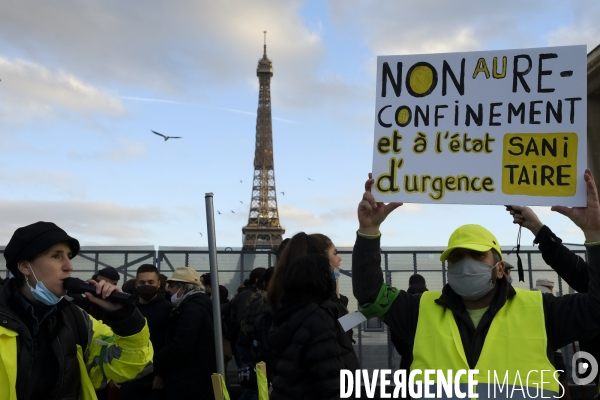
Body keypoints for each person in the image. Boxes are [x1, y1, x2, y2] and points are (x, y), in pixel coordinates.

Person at [353, 169, 600, 398]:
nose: (466, 264)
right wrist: (369, 232)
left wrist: (595, 235)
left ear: (500, 268)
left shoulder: (542, 310)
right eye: (457, 257)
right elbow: (371, 296)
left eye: (477, 255)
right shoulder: (419, 310)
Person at [0, 221, 153, 399]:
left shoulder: (77, 319)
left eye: (69, 256)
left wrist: (124, 317)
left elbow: (128, 368)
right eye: (56, 256)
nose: (69, 266)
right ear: (25, 266)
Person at [269, 254, 360, 399]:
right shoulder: (318, 316)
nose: (340, 259)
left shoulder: (287, 313)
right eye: (334, 253)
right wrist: (363, 314)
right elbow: (329, 377)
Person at [153, 267, 217, 400]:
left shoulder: (191, 308)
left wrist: (154, 360)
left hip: (189, 379)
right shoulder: (203, 304)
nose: (168, 290)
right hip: (199, 375)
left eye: (171, 286)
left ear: (184, 288)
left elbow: (182, 344)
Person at [120, 264, 174, 400]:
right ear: (136, 284)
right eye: (142, 282)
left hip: (156, 380)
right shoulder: (129, 309)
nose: (146, 285)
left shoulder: (169, 309)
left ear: (158, 284)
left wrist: (162, 374)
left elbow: (172, 344)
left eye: (151, 282)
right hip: (130, 377)